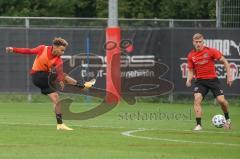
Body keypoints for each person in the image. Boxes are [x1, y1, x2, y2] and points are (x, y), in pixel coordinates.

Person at [6, 37, 96, 131]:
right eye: (62, 50)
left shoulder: (58, 60)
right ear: (55, 47)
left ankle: (60, 124)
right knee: (63, 79)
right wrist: (13, 49)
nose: (63, 52)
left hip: (44, 78)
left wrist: (60, 79)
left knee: (56, 98)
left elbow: (60, 73)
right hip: (37, 76)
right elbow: (28, 51)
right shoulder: (42, 49)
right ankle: (82, 87)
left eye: (64, 51)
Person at [186, 33, 233, 131]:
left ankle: (228, 119)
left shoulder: (211, 51)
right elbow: (190, 70)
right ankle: (199, 125)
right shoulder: (191, 55)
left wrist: (229, 76)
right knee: (197, 98)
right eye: (196, 42)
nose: (198, 44)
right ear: (193, 42)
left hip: (213, 80)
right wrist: (189, 79)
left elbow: (225, 62)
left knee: (221, 101)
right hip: (200, 81)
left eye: (200, 42)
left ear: (203, 42)